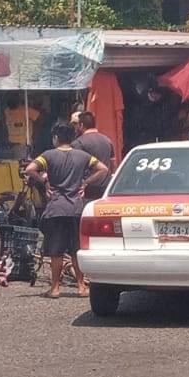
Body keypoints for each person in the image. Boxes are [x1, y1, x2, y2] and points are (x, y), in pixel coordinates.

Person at [26, 120, 108, 298]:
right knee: (75, 250)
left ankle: (55, 288)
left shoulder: (48, 155)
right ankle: (81, 287)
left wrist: (44, 181)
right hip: (77, 208)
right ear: (72, 137)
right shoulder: (83, 156)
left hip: (56, 208)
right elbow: (103, 169)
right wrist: (85, 183)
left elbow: (30, 169)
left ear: (55, 137)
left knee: (56, 251)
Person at [72, 111, 115, 200]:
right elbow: (113, 165)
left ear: (81, 125)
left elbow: (74, 168)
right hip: (105, 189)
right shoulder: (107, 140)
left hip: (86, 191)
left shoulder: (78, 143)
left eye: (77, 125)